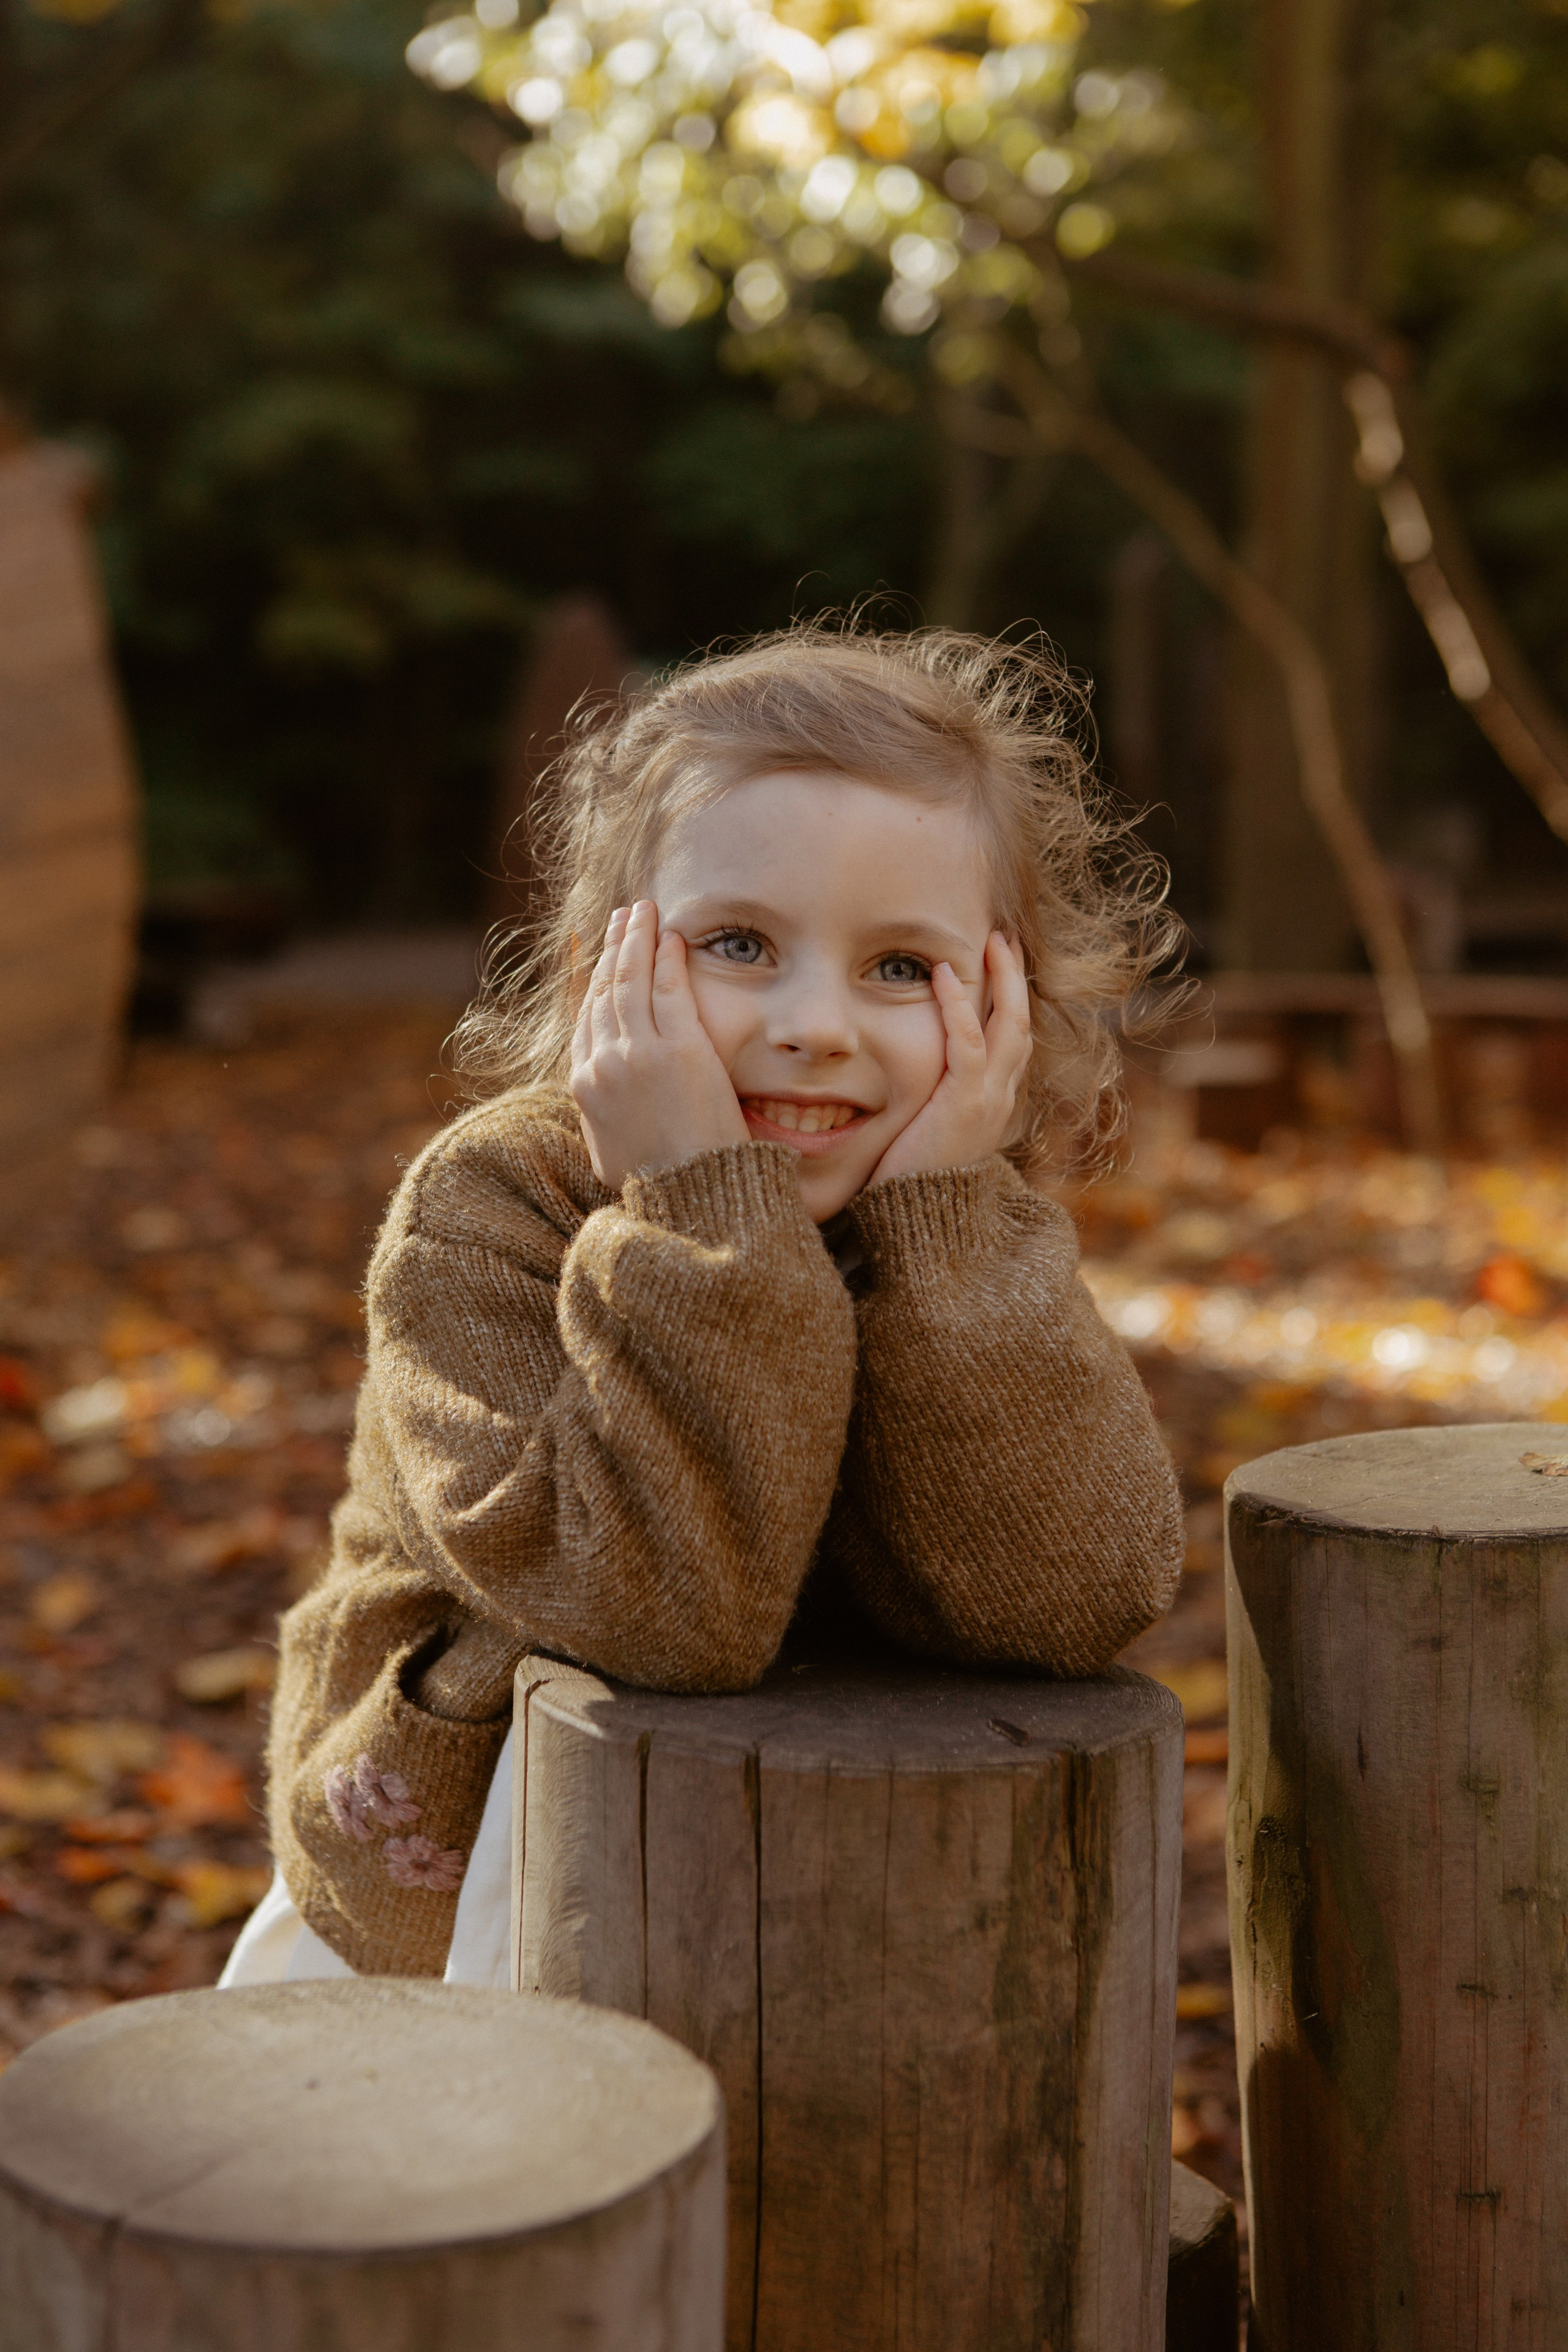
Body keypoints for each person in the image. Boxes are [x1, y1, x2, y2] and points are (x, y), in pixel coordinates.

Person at [222, 620, 1186, 1990]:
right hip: (462, 1922)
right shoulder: (491, 1213)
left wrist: (950, 1231)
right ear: (596, 981)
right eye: (738, 943)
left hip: (824, 1891)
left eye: (900, 968)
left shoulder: (953, 1216)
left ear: (1007, 1006)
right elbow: (666, 1620)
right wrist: (696, 1206)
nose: (815, 1024)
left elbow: (1079, 1596)